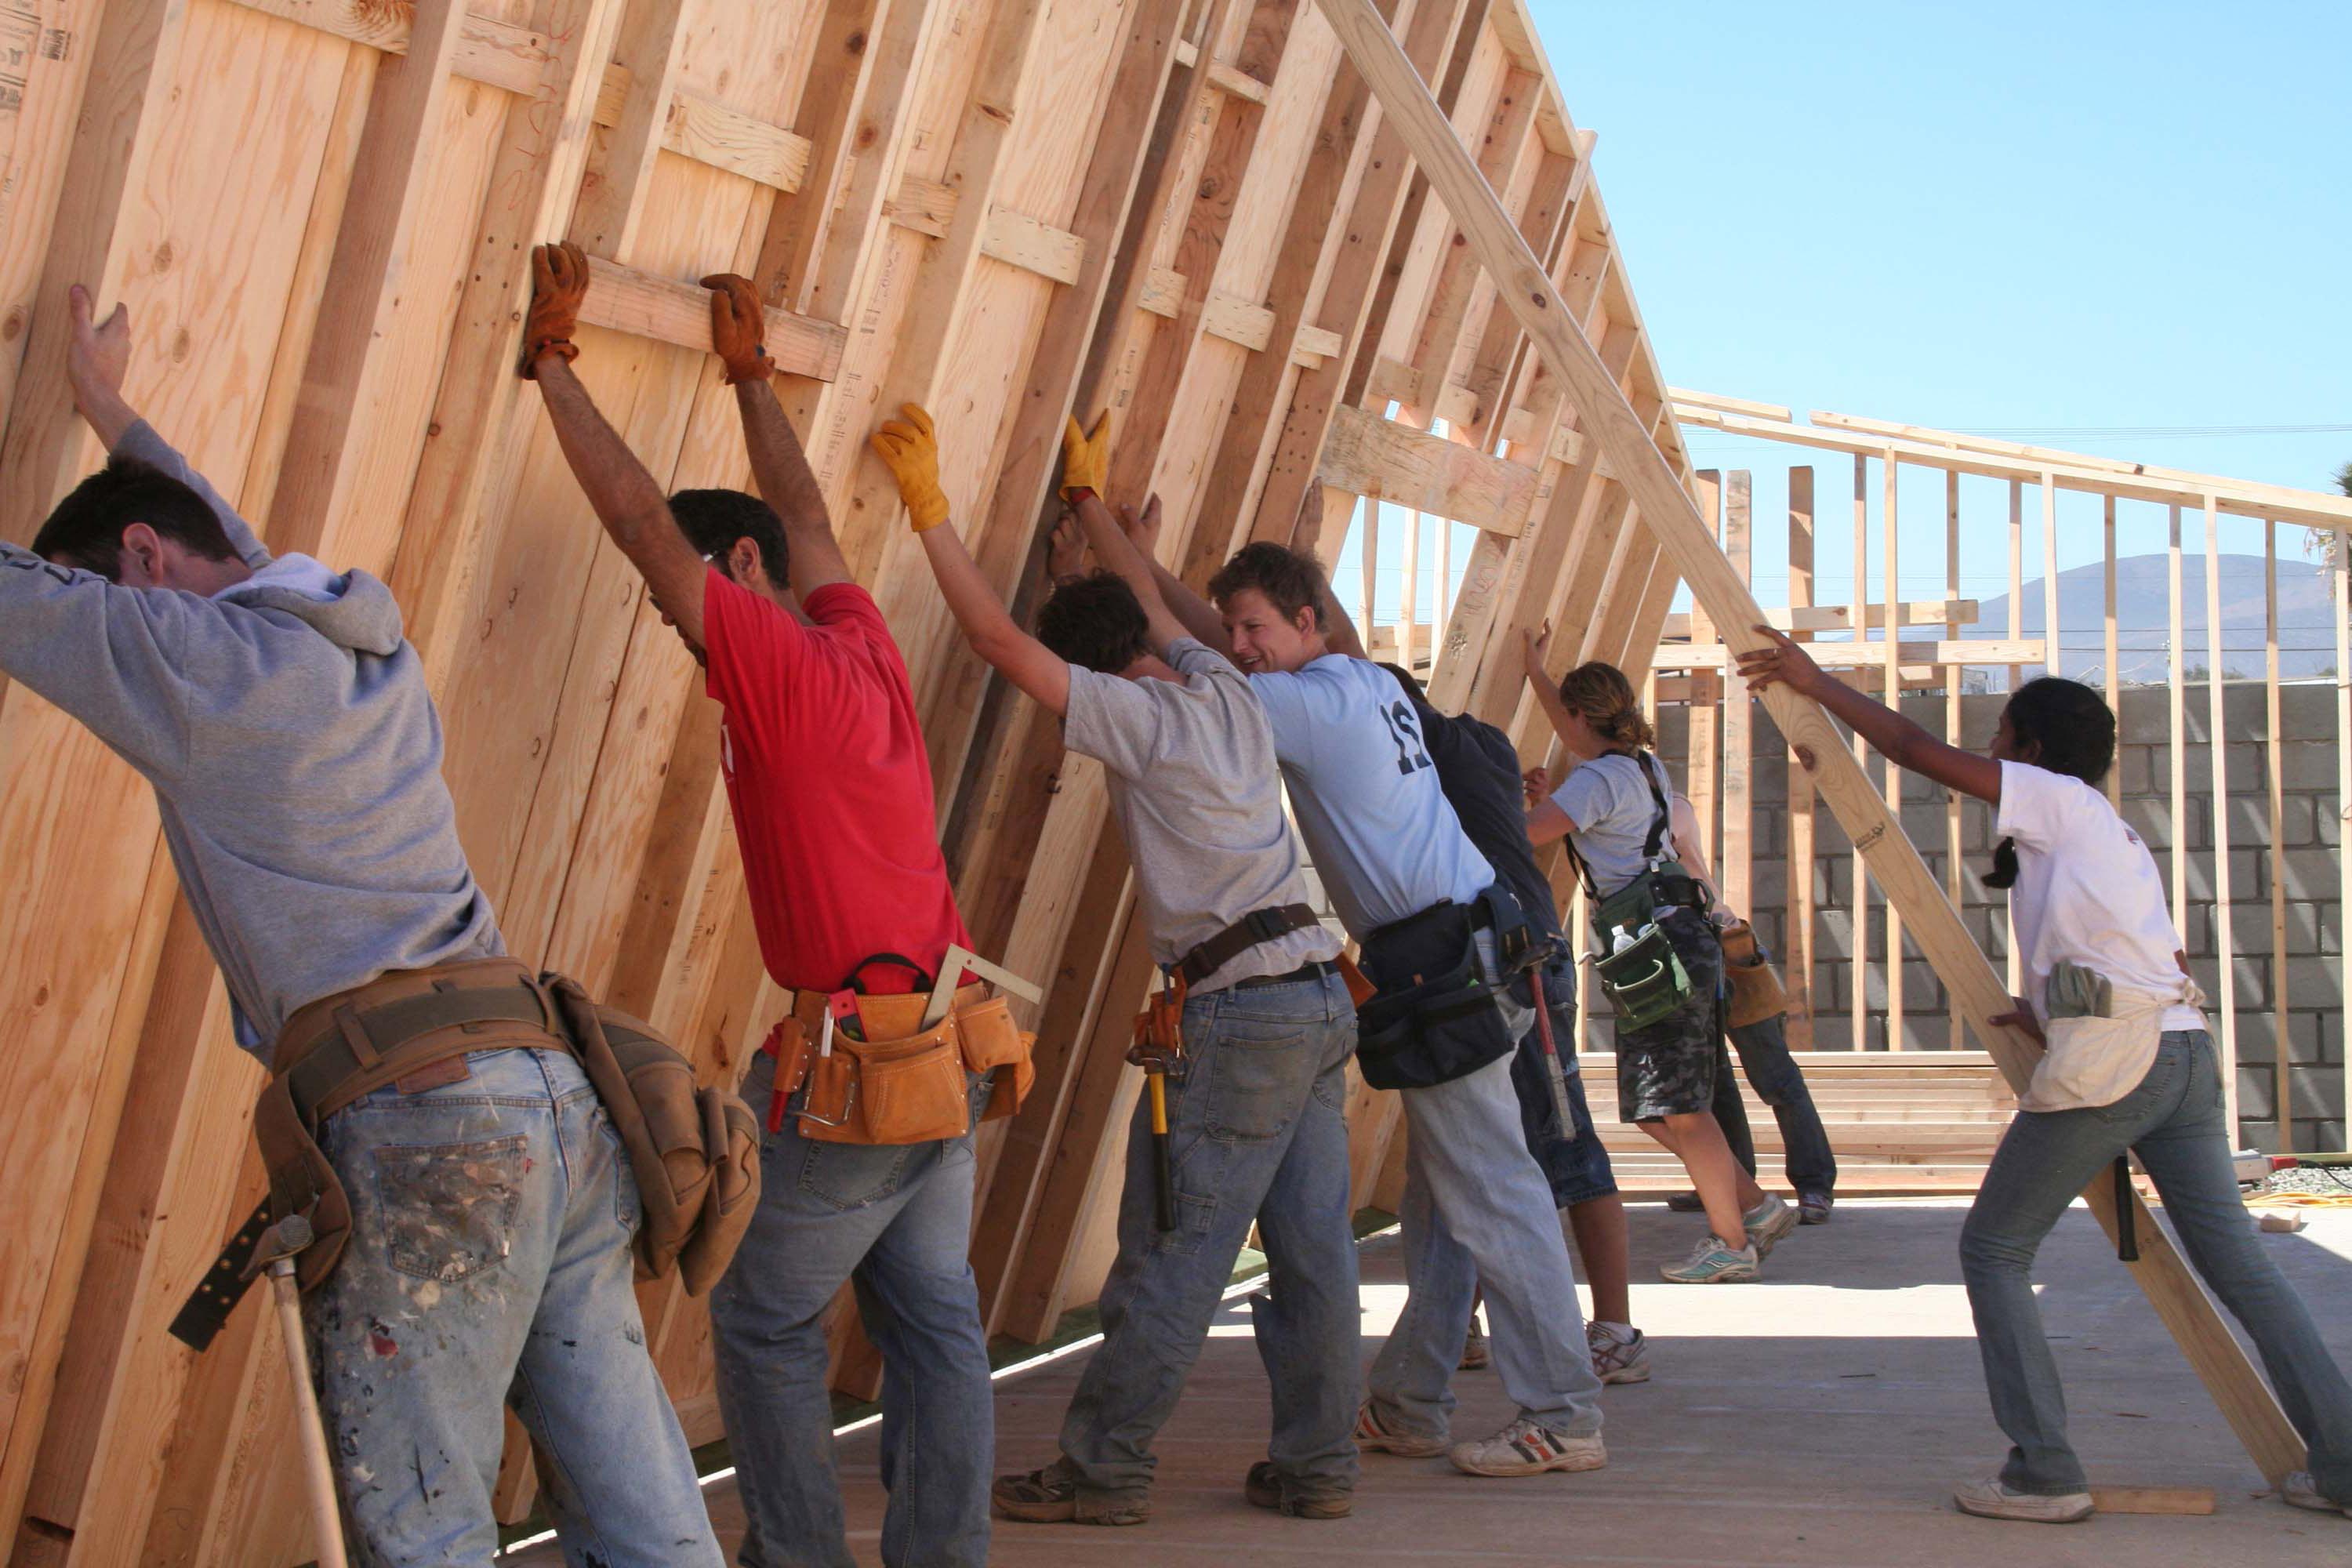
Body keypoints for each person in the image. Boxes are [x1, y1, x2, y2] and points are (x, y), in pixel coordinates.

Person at [7, 287, 718, 1563]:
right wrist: (111, 410)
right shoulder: (334, 632)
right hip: (556, 1102)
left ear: (141, 574)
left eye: (115, 600)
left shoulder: (187, 660)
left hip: (430, 1127)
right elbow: (207, 534)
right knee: (641, 1503)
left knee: (423, 1519)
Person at [524, 245, 993, 1568]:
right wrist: (752, 379)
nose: (688, 636)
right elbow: (815, 529)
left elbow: (639, 531)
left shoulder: (779, 667)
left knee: (766, 1323)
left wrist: (551, 370)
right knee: (938, 1323)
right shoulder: (860, 644)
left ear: (735, 568)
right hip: (940, 1049)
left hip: (856, 1074)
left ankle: (794, 1558)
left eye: (695, 612)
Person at [1739, 627, 2352, 1525]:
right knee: (2241, 1265)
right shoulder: (2103, 829)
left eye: (2000, 734)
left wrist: (1815, 679)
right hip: (2181, 1050)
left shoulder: (2060, 801)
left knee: (1993, 1248)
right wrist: (2055, 1012)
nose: (1988, 747)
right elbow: (2148, 951)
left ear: (2034, 751)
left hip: (2126, 1064)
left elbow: (1916, 751)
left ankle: (2044, 1471)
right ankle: (2341, 1465)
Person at [876, 407, 1361, 1523]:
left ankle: (1102, 1472)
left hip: (1241, 1017)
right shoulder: (1221, 686)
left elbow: (1004, 647)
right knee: (1311, 1250)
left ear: (1092, 674)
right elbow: (1148, 604)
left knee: (1175, 1255)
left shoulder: (1142, 718)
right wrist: (1092, 516)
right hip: (1318, 993)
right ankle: (1319, 1467)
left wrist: (931, 515)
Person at [1127, 526, 1607, 1480]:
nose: (1242, 641)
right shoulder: (1368, 678)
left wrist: (1123, 571)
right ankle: (1415, 1401)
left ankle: (1564, 1409)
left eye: (1256, 626)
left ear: (1307, 622)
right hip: (1479, 945)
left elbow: (1194, 682)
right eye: (1236, 625)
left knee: (1498, 1197)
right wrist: (1147, 573)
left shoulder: (1302, 704)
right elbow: (1220, 649)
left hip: (1443, 963)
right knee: (1452, 1197)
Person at [1376, 663, 1650, 1387]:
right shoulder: (1485, 743)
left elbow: (1519, 833)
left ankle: (1612, 1334)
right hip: (1512, 951)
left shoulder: (1423, 759)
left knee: (1562, 1148)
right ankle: (1457, 1323)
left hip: (1510, 957)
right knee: (1476, 1147)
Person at [1521, 633, 1797, 1282]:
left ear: (1580, 719)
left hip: (1654, 947)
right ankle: (1754, 1208)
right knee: (1657, 1103)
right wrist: (1535, 669)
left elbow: (1520, 835)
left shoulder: (1595, 779)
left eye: (1566, 716)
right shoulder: (1644, 767)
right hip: (1679, 937)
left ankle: (1731, 1240)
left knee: (1680, 1105)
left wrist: (1507, 800)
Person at [1658, 789, 1839, 1225]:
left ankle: (1814, 1184)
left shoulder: (1667, 806)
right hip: (1674, 952)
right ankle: (1733, 1183)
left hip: (1723, 942)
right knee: (1711, 1079)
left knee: (1774, 1074)